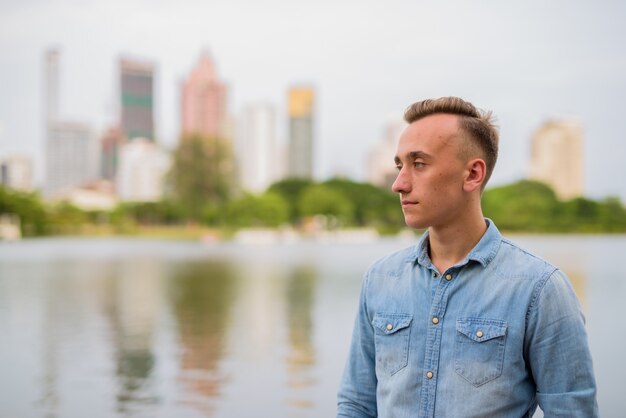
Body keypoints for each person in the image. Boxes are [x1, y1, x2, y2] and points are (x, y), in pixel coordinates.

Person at [336, 97, 598, 417]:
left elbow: (572, 411)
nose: (399, 184)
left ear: (473, 174)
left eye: (418, 164)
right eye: (399, 165)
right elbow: (357, 404)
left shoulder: (540, 289)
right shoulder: (381, 278)